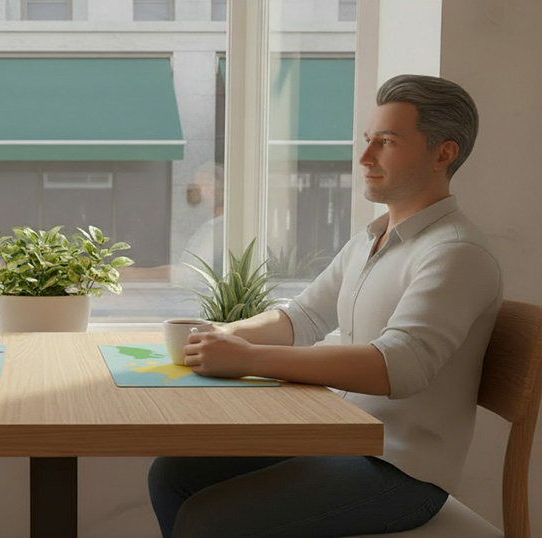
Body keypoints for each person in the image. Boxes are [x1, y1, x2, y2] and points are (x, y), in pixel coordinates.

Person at [148, 74, 501, 537]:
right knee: (172, 474)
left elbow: (399, 365)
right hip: (338, 435)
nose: (364, 158)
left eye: (387, 142)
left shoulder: (456, 253)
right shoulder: (372, 239)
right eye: (367, 139)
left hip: (401, 471)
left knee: (206, 520)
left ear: (443, 153)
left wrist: (249, 359)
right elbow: (303, 316)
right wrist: (223, 336)